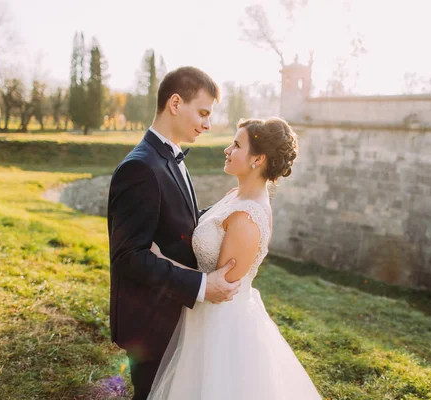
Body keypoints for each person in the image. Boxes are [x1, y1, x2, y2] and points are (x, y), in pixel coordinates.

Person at [148, 117, 322, 399]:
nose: (227, 150)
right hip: (200, 316)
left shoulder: (246, 217)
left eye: (236, 145)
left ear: (258, 158)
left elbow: (220, 288)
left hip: (221, 326)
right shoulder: (235, 196)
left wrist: (159, 258)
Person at [107, 66, 241, 400]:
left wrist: (224, 212)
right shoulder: (140, 167)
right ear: (176, 103)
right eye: (204, 112)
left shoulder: (168, 156)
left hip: (172, 314)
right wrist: (201, 285)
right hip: (151, 324)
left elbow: (176, 223)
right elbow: (129, 257)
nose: (208, 124)